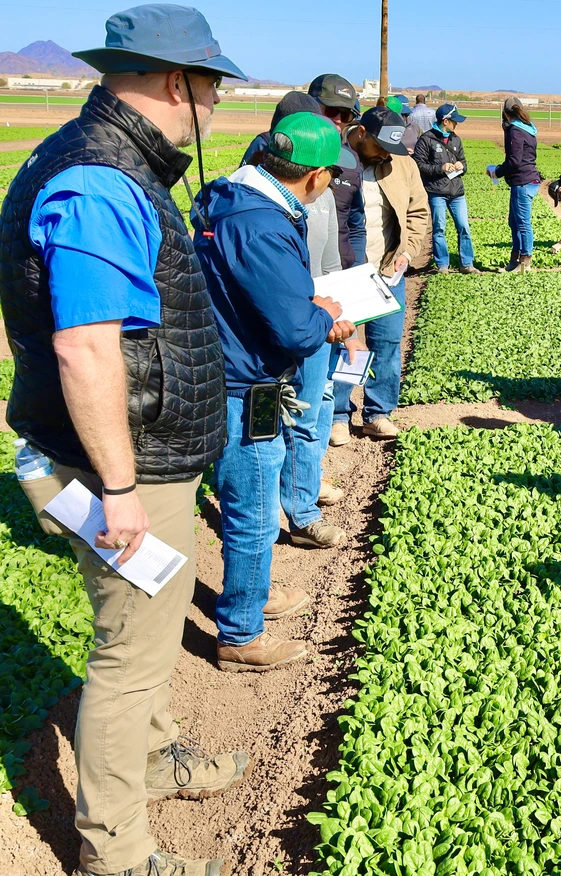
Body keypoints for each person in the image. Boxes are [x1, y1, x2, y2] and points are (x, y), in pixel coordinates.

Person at [0, 6, 251, 874]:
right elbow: (86, 344)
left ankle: (151, 758)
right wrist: (118, 487)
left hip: (133, 455)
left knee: (142, 634)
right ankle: (117, 852)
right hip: (120, 466)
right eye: (214, 83)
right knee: (128, 660)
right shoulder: (102, 181)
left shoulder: (105, 159)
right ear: (179, 83)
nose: (217, 102)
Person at [194, 113, 357, 672]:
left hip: (223, 365)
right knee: (254, 507)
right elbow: (291, 328)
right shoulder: (262, 223)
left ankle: (253, 592)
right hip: (246, 383)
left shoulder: (232, 197)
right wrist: (326, 317)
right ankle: (241, 633)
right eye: (332, 176)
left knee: (251, 498)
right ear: (315, 176)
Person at [243, 98, 353, 545]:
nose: (331, 182)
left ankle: (301, 505)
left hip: (311, 319)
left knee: (313, 409)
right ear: (314, 172)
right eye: (328, 173)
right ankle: (272, 527)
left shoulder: (304, 198)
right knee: (263, 441)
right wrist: (317, 319)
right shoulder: (259, 208)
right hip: (278, 339)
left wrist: (338, 309)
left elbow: (326, 260)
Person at [345, 107, 430, 439]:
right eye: (380, 146)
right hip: (346, 270)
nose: (384, 154)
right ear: (361, 132)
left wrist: (406, 252)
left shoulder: (401, 164)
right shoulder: (335, 158)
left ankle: (377, 413)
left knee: (387, 343)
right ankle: (339, 415)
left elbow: (418, 212)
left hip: (387, 269)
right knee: (345, 343)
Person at [307, 74, 366, 272]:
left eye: (346, 115)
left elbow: (356, 225)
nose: (338, 120)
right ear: (312, 106)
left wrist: (357, 267)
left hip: (339, 273)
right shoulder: (275, 145)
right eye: (332, 110)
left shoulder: (350, 160)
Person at [414, 103, 478, 274]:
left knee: (464, 227)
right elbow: (418, 165)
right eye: (454, 121)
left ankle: (467, 264)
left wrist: (460, 166)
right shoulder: (426, 139)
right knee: (439, 228)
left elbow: (464, 164)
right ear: (446, 121)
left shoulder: (456, 139)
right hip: (437, 193)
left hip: (457, 192)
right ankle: (442, 265)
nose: (457, 124)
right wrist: (440, 168)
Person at [489, 97, 540, 274]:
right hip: (527, 180)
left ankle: (525, 262)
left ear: (505, 113)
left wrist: (497, 171)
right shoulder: (528, 129)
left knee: (523, 223)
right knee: (514, 222)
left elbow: (515, 161)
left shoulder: (515, 131)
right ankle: (515, 260)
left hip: (523, 181)